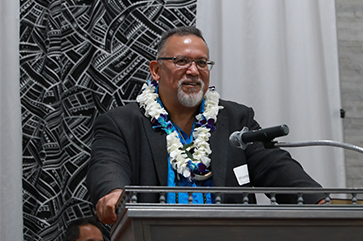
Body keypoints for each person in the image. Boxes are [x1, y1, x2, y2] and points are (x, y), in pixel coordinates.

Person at [86, 26, 325, 224]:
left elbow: (275, 166)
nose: (193, 71)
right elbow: (108, 167)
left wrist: (320, 203)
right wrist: (113, 192)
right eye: (182, 61)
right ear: (156, 70)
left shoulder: (235, 119)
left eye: (202, 63)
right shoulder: (122, 123)